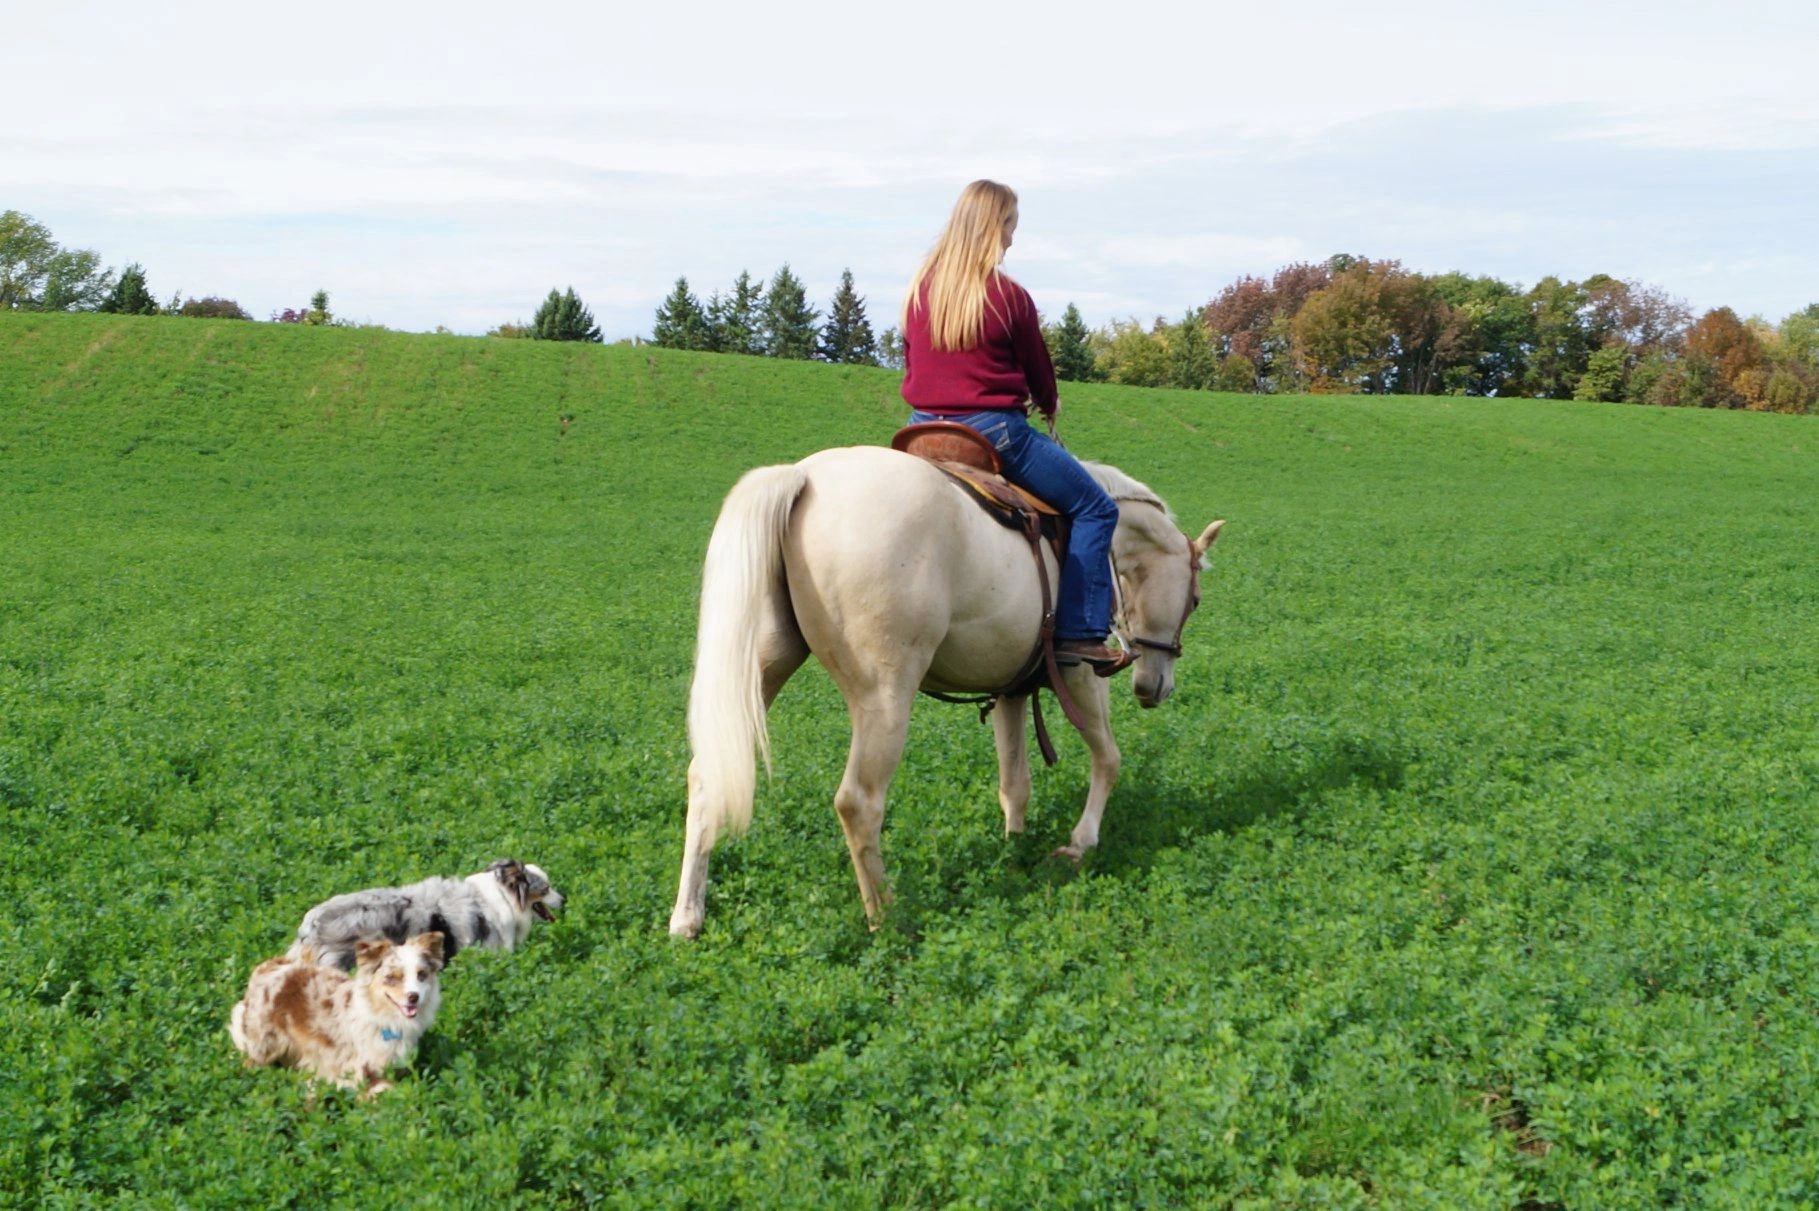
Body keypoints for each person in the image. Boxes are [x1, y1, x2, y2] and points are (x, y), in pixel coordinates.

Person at [901, 179, 1132, 675]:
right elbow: (1037, 370)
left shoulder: (920, 289)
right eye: (1009, 228)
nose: (1011, 240)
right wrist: (1049, 404)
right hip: (993, 432)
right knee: (1096, 507)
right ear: (991, 227)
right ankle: (1081, 633)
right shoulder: (1008, 297)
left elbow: (910, 360)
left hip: (920, 431)